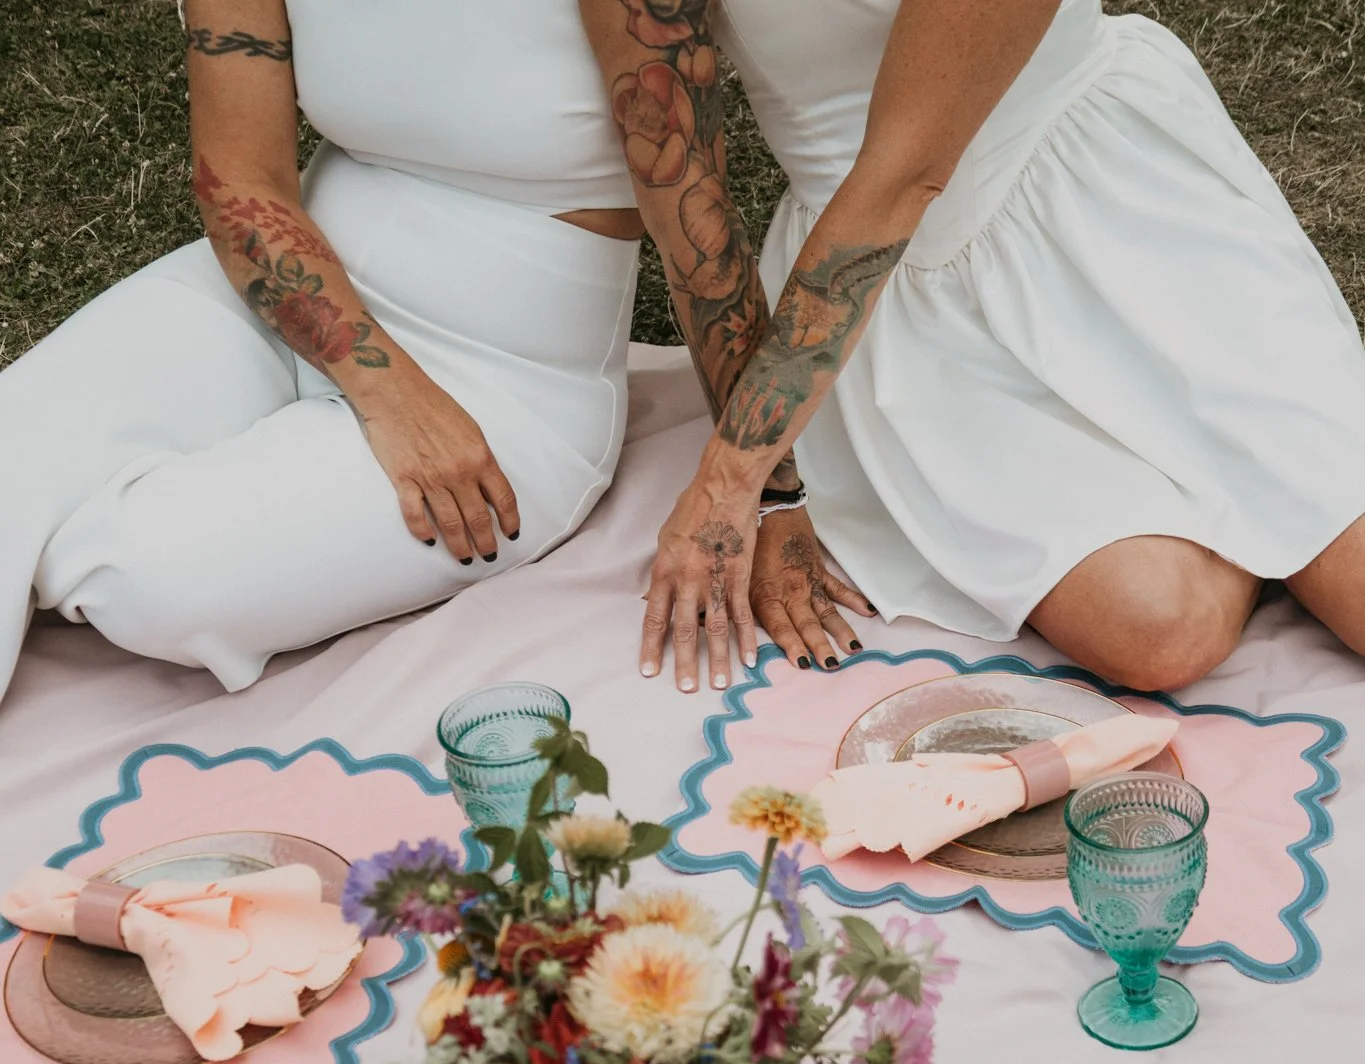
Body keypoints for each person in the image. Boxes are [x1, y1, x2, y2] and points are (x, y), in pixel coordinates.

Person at [579, 0, 1365, 695]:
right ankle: (1244, 512)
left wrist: (726, 479)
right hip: (887, 300)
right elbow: (688, 212)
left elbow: (905, 175)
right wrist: (775, 489)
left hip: (1119, 212)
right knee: (1158, 632)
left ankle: (1249, 495)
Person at [0, 0, 643, 698]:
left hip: (505, 377)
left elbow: (705, 233)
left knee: (149, 580)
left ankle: (50, 550)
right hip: (283, 285)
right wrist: (388, 394)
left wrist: (762, 491)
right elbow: (241, 179)